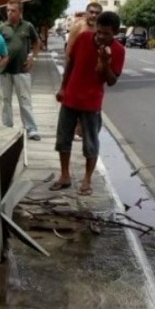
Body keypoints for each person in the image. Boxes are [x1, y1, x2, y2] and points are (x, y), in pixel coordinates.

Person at [51, 11, 126, 196]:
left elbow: (111, 81)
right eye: (99, 32)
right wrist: (62, 87)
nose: (101, 36)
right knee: (63, 139)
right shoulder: (84, 38)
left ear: (115, 33)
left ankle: (87, 180)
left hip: (92, 104)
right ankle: (65, 176)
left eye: (106, 34)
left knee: (90, 144)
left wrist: (105, 63)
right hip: (71, 97)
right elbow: (71, 64)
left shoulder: (118, 51)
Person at [0, 0, 41, 141]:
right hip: (5, 71)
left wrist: (33, 58)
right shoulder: (2, 28)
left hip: (22, 70)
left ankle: (31, 129)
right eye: (8, 10)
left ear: (20, 12)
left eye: (13, 10)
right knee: (5, 101)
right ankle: (7, 128)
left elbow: (36, 43)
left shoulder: (28, 26)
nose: (9, 13)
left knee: (25, 101)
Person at [65, 2, 103, 141]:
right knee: (75, 101)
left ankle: (86, 129)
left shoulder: (100, 29)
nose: (93, 15)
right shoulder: (78, 27)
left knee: (90, 102)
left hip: (93, 73)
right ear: (86, 13)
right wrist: (68, 72)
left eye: (97, 13)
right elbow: (69, 49)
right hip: (77, 70)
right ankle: (76, 129)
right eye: (91, 12)